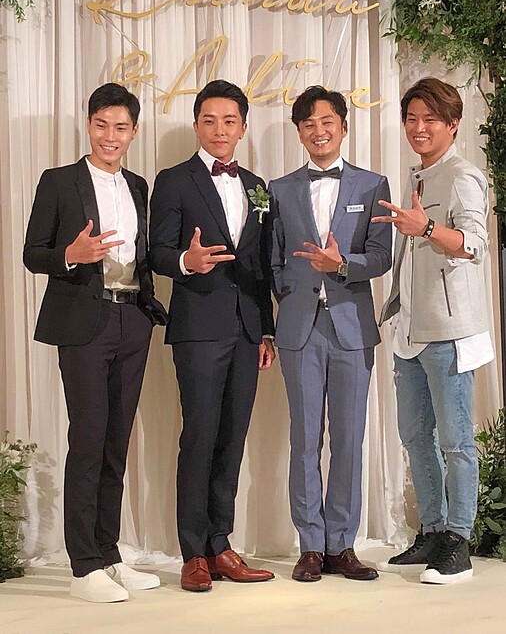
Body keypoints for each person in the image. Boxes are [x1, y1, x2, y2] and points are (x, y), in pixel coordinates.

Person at [23, 83, 167, 603]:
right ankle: (82, 567)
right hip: (85, 320)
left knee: (116, 442)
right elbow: (33, 252)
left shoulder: (139, 185)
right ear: (88, 125)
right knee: (87, 439)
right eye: (102, 124)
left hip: (132, 317)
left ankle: (108, 554)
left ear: (134, 131)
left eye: (121, 127)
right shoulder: (58, 181)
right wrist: (71, 253)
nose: (111, 136)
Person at [149, 79, 276, 592]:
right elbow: (156, 252)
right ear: (196, 125)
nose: (219, 129)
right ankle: (193, 553)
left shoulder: (257, 185)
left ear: (243, 127)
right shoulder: (173, 180)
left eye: (229, 121)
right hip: (199, 327)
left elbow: (261, 263)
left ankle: (221, 545)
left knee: (232, 438)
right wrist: (187, 260)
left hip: (247, 330)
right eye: (209, 120)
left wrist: (266, 330)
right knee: (198, 437)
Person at [268, 85, 392, 583]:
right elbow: (272, 259)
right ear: (299, 133)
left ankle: (343, 544)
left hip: (352, 329)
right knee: (304, 440)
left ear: (343, 126)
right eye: (308, 124)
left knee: (349, 439)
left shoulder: (372, 184)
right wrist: (290, 297)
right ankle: (311, 546)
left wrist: (342, 265)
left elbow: (380, 257)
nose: (318, 131)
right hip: (300, 328)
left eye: (327, 122)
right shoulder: (280, 188)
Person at [374, 77, 493, 584]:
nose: (419, 128)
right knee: (415, 436)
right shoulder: (417, 177)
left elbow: (474, 244)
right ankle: (433, 530)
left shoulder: (464, 176)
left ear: (453, 124)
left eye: (431, 119)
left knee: (456, 441)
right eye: (412, 119)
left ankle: (458, 542)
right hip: (409, 330)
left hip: (447, 331)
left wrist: (426, 227)